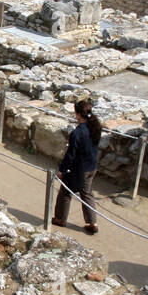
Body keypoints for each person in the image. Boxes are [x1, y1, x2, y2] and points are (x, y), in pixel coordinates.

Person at [51, 99, 101, 235]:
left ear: (78, 114)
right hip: (92, 166)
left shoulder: (77, 133)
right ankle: (92, 222)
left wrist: (62, 170)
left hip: (80, 169)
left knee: (65, 193)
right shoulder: (95, 126)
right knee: (87, 193)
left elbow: (70, 156)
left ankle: (60, 219)